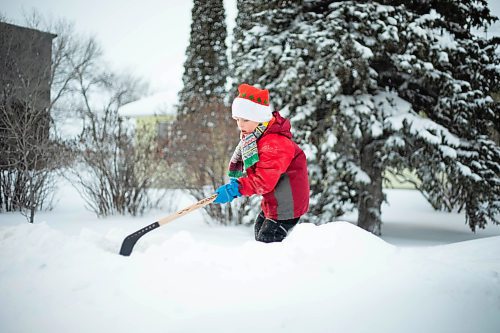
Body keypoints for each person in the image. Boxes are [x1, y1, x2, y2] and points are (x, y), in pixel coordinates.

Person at [214, 83, 309, 243]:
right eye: (237, 119)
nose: (240, 125)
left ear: (260, 119)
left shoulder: (274, 144)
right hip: (273, 202)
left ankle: (279, 267)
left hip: (287, 204)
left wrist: (237, 188)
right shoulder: (256, 137)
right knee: (259, 232)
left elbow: (264, 181)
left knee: (267, 240)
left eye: (245, 119)